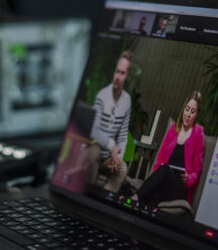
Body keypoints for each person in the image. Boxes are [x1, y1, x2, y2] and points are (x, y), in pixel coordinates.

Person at [132, 91, 205, 207]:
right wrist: (157, 176)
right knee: (163, 170)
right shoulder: (173, 128)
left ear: (197, 114)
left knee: (165, 169)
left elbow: (197, 170)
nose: (188, 114)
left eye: (193, 112)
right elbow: (159, 159)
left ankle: (135, 197)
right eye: (187, 109)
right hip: (164, 181)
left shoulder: (198, 133)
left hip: (180, 187)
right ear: (183, 109)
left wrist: (189, 178)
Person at [84, 50, 133, 193]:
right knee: (92, 153)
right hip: (96, 148)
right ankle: (86, 195)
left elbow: (123, 135)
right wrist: (112, 146)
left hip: (109, 158)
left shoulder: (127, 101)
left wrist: (118, 158)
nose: (118, 77)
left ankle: (103, 199)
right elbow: (93, 130)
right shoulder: (102, 95)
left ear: (127, 76)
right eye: (117, 72)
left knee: (122, 168)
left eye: (122, 73)